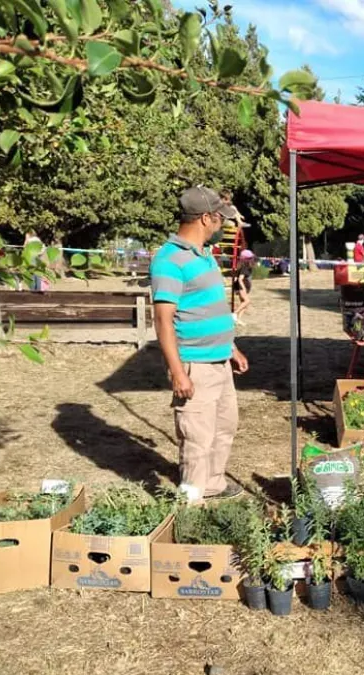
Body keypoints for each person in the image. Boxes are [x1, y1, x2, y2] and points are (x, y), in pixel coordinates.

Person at [151, 186, 250, 503]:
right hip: (195, 365)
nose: (224, 224)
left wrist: (231, 348)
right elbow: (163, 321)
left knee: (224, 428)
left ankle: (214, 486)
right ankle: (190, 506)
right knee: (197, 438)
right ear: (206, 218)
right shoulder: (170, 260)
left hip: (220, 362)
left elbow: (211, 308)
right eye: (221, 219)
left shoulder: (205, 256)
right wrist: (179, 373)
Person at [232, 249, 255, 323]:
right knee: (247, 301)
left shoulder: (242, 266)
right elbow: (240, 279)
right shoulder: (245, 267)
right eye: (251, 258)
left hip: (243, 287)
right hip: (242, 287)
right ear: (247, 259)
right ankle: (234, 314)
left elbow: (235, 278)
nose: (252, 259)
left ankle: (238, 319)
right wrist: (243, 288)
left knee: (244, 303)